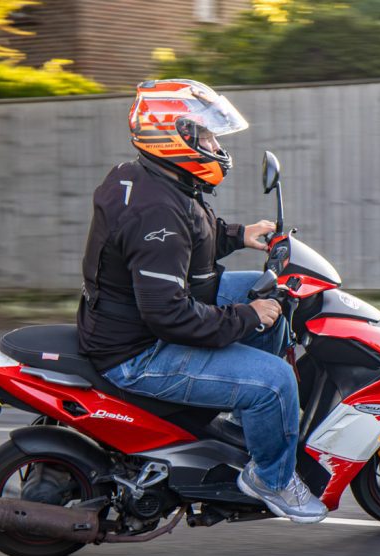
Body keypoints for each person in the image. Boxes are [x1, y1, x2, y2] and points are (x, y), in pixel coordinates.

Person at [76, 79, 327, 524]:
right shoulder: (157, 212)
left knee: (271, 293)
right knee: (275, 381)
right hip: (140, 351)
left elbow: (186, 239)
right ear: (174, 137)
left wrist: (237, 235)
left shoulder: (149, 177)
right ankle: (271, 478)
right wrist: (245, 317)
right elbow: (169, 313)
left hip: (138, 318)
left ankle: (252, 423)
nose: (215, 145)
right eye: (206, 135)